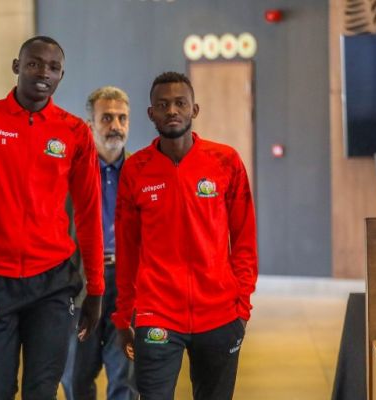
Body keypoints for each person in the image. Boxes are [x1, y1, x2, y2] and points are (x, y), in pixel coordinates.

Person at [0, 36, 104, 399]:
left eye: (53, 68)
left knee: (42, 391)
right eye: (35, 63)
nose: (43, 73)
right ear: (17, 67)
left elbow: (88, 213)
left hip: (53, 284)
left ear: (61, 76)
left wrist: (96, 288)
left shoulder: (74, 132)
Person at [112, 71, 258, 400]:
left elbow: (245, 241)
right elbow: (127, 249)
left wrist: (241, 307)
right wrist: (124, 314)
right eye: (162, 105)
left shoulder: (226, 162)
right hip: (157, 313)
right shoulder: (136, 170)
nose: (172, 110)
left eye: (180, 103)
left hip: (220, 314)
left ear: (195, 110)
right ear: (151, 113)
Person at [61, 86, 138, 400]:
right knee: (75, 378)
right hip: (82, 286)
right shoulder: (68, 172)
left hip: (128, 285)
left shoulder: (140, 172)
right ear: (89, 124)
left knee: (125, 379)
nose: (116, 126)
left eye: (122, 118)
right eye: (107, 118)